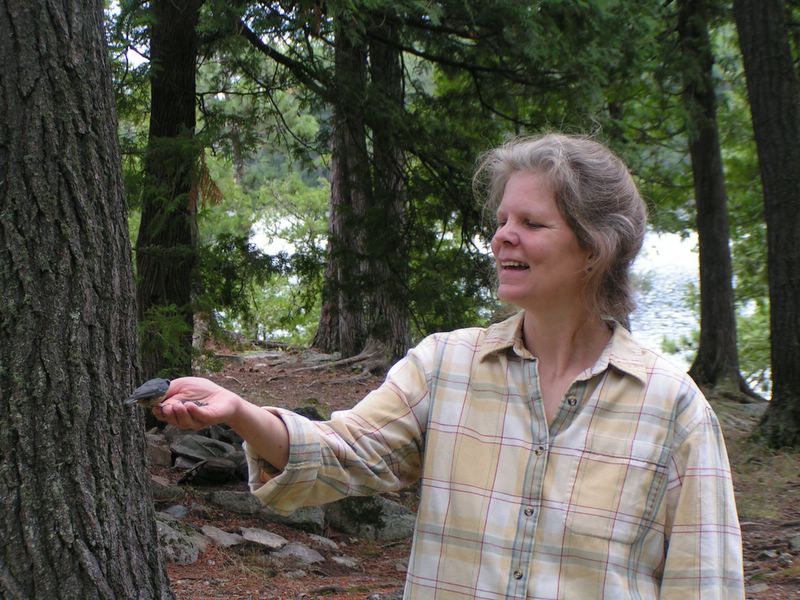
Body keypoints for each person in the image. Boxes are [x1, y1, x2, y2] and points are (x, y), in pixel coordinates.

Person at [156, 134, 744, 599]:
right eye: (502, 221)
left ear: (596, 248)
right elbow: (342, 456)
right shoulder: (445, 366)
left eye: (531, 224)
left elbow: (706, 583)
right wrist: (239, 411)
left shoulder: (673, 408)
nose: (501, 239)